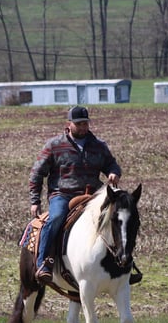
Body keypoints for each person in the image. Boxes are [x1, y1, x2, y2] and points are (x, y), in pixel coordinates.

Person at [29, 105, 122, 285]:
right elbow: (36, 174)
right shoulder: (54, 145)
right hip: (63, 194)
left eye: (85, 123)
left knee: (119, 217)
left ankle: (123, 263)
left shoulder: (98, 145)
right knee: (56, 218)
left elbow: (112, 164)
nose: (82, 127)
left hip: (93, 195)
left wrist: (113, 172)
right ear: (69, 124)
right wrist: (35, 201)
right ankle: (44, 263)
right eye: (78, 124)